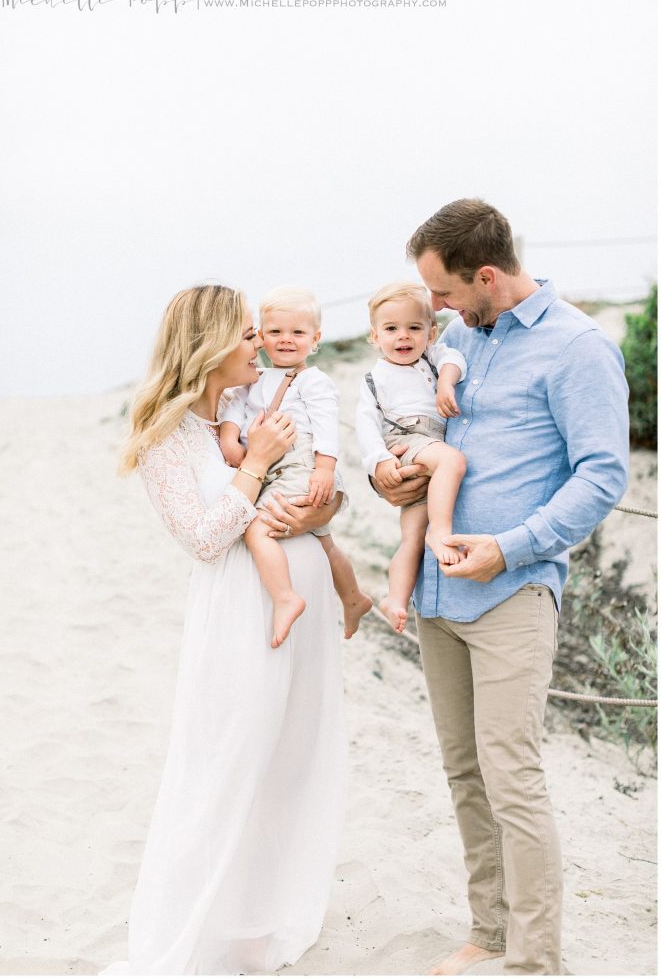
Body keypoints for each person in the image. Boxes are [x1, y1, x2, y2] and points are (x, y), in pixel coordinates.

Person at [372, 199, 629, 976]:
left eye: (444, 294)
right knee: (463, 773)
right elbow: (421, 433)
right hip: (436, 596)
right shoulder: (458, 338)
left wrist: (508, 550)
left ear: (486, 276)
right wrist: (388, 475)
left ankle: (533, 959)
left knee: (511, 777)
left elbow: (602, 476)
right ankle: (487, 932)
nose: (434, 311)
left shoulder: (577, 347)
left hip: (511, 596)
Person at [102, 284, 347, 975]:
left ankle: (257, 919)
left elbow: (318, 489)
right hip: (241, 609)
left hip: (304, 600)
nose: (259, 344)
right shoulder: (166, 434)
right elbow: (206, 539)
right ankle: (199, 924)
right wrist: (257, 463)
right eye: (245, 334)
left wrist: (315, 504)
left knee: (290, 761)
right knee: (227, 759)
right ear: (208, 346)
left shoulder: (257, 405)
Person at [220, 285, 372, 645]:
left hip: (302, 462)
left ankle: (285, 598)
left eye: (298, 333)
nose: (286, 340)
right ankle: (354, 599)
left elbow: (325, 427)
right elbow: (233, 410)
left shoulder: (313, 381)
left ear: (315, 339)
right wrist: (230, 438)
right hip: (274, 463)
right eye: (275, 332)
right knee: (324, 542)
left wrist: (324, 469)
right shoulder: (253, 380)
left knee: (257, 528)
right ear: (260, 337)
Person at [355, 281, 467, 633]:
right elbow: (365, 422)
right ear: (375, 336)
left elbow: (454, 357)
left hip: (429, 447)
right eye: (391, 329)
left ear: (431, 332)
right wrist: (378, 460)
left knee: (411, 538)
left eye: (414, 328)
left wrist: (446, 383)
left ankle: (395, 599)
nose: (403, 337)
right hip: (406, 440)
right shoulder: (375, 378)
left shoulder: (432, 359)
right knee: (454, 461)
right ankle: (443, 531)